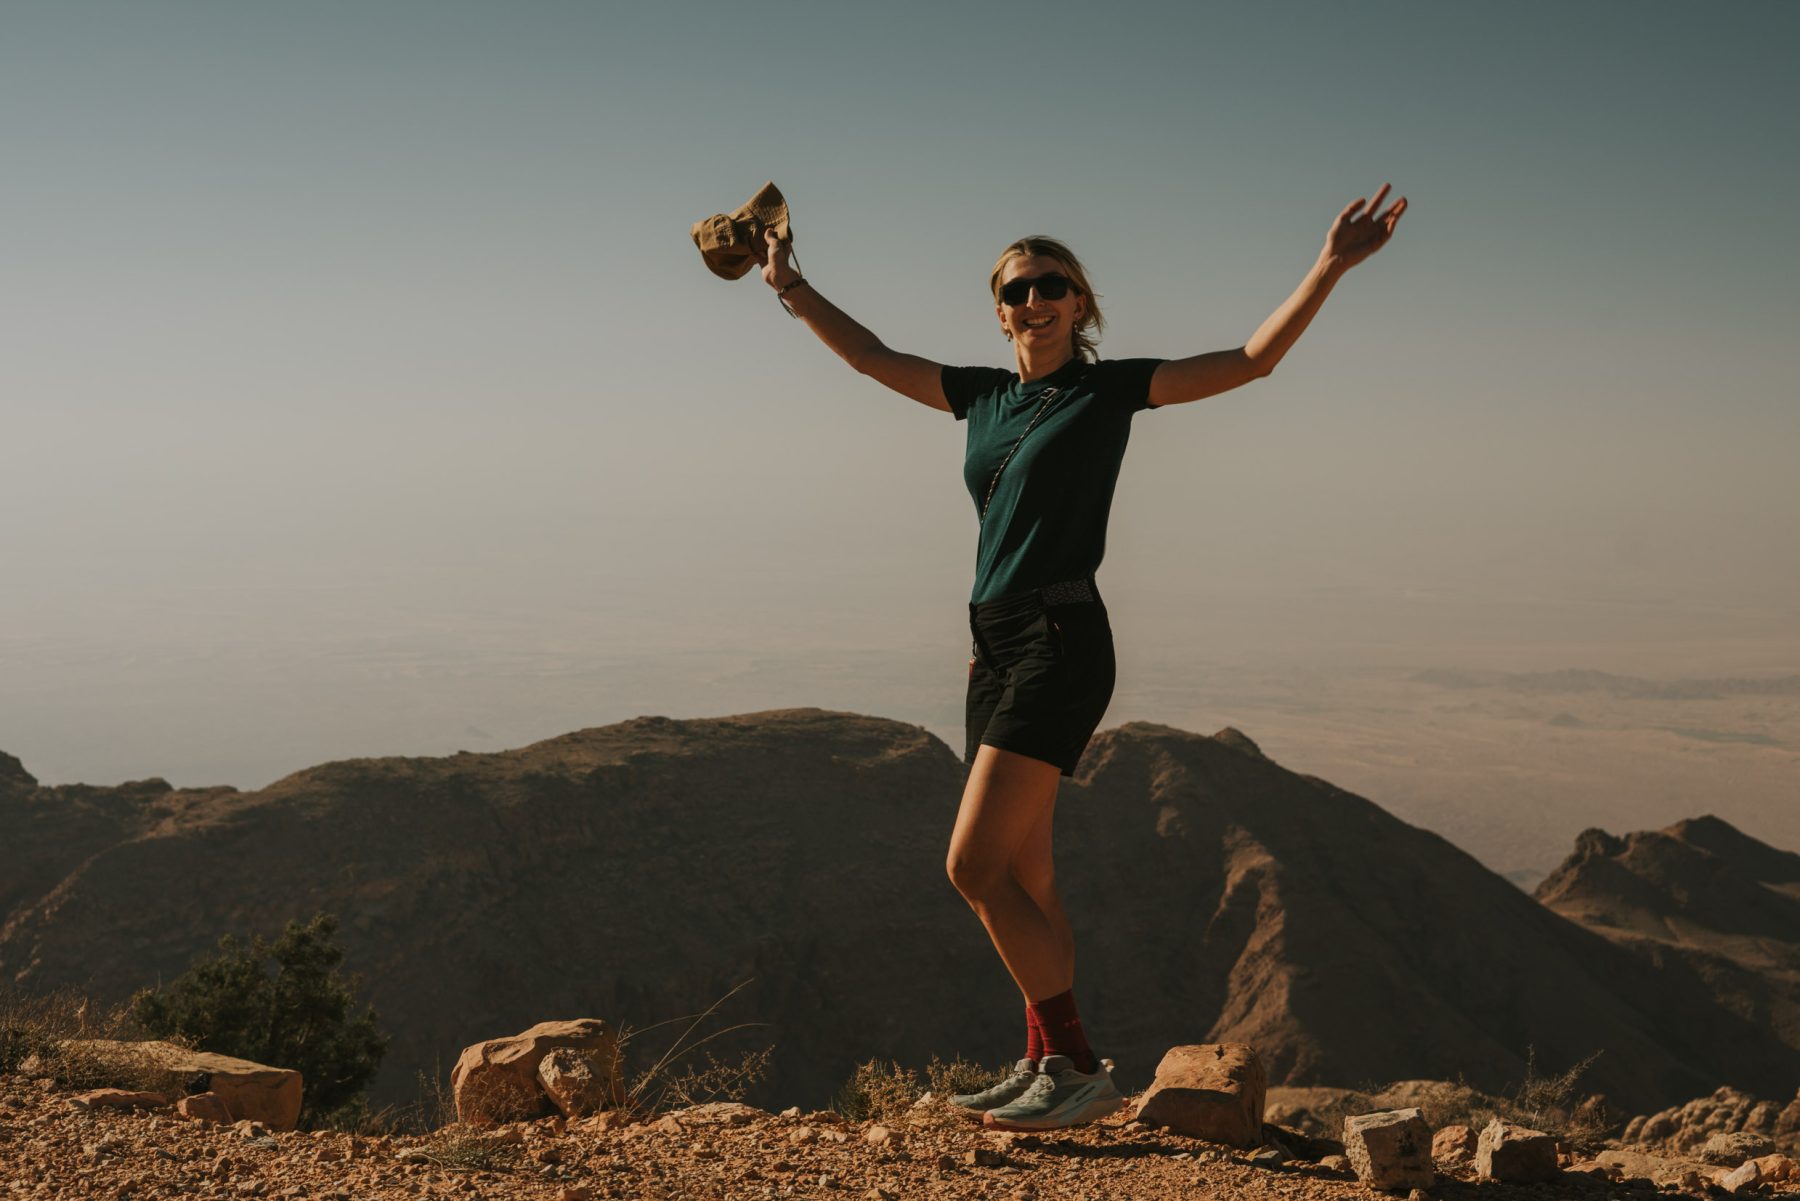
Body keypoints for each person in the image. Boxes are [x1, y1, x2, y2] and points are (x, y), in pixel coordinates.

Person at [749, 184, 1408, 1130]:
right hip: (995, 647)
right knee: (1030, 876)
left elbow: (1253, 361)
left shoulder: (1105, 392)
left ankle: (1076, 1064)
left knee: (971, 869)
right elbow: (869, 357)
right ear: (1000, 309)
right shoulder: (980, 397)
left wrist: (1329, 266)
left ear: (1080, 304)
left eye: (1052, 285)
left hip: (1061, 638)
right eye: (1017, 291)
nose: (1035, 302)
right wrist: (789, 285)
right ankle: (1043, 1062)